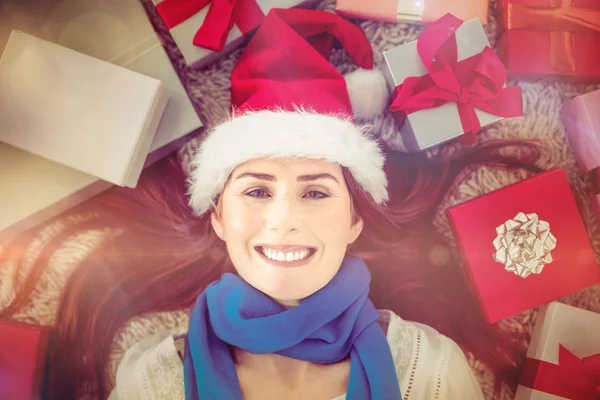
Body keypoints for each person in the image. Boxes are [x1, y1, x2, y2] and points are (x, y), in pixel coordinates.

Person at [0, 8, 543, 400]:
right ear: (218, 215)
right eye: (257, 191)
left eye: (315, 191)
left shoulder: (430, 374)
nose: (283, 219)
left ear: (356, 220)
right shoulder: (154, 381)